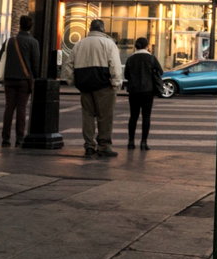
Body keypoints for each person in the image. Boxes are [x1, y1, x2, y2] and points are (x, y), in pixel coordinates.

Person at [61, 19, 123, 158]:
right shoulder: (108, 43)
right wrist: (116, 82)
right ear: (102, 29)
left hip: (85, 84)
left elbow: (68, 64)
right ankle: (104, 145)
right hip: (104, 85)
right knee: (105, 117)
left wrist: (72, 80)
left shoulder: (79, 44)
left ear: (90, 29)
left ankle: (89, 145)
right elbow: (115, 65)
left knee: (88, 116)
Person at [0, 15, 39, 147]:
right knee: (21, 109)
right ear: (30, 26)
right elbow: (35, 63)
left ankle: (5, 138)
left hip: (9, 79)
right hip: (24, 80)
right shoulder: (33, 42)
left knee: (9, 108)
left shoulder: (9, 41)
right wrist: (35, 79)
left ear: (19, 25)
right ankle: (20, 137)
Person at [124, 37, 163, 150]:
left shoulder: (130, 59)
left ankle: (131, 142)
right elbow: (160, 71)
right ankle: (144, 142)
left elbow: (126, 75)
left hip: (134, 91)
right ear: (147, 46)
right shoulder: (151, 58)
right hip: (148, 91)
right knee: (146, 117)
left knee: (133, 116)